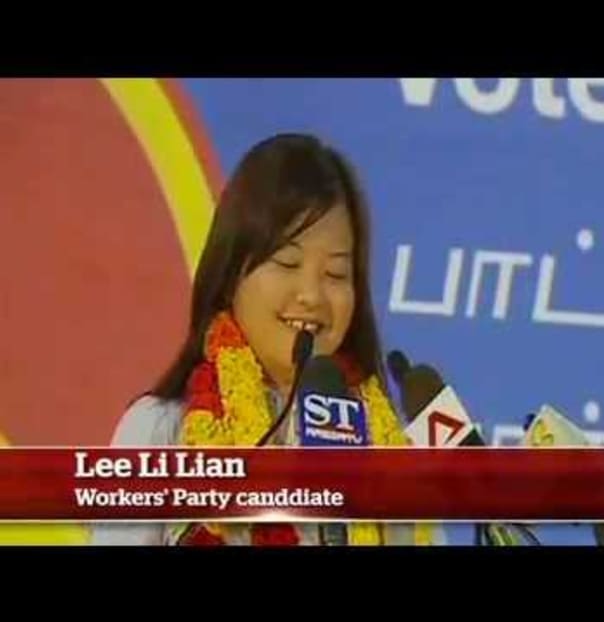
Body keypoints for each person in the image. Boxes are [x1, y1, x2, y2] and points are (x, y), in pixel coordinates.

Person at [90, 133, 440, 546]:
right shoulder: (160, 431)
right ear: (231, 274)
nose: (311, 295)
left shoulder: (387, 451)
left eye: (335, 274)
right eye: (288, 263)